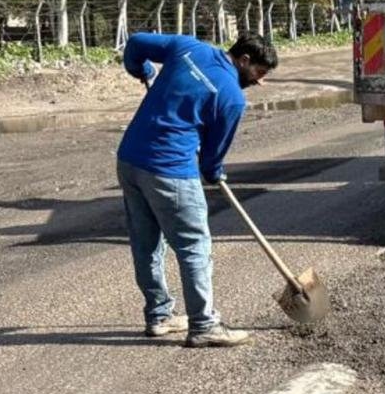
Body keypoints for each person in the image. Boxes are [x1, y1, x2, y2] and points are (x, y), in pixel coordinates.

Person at [116, 32, 278, 348]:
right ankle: (203, 325)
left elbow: (135, 43)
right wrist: (214, 172)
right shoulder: (231, 95)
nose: (259, 82)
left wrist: (142, 69)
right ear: (244, 60)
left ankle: (159, 315)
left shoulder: (188, 48)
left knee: (146, 241)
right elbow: (213, 156)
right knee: (194, 247)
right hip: (170, 170)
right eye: (259, 73)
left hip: (130, 160)